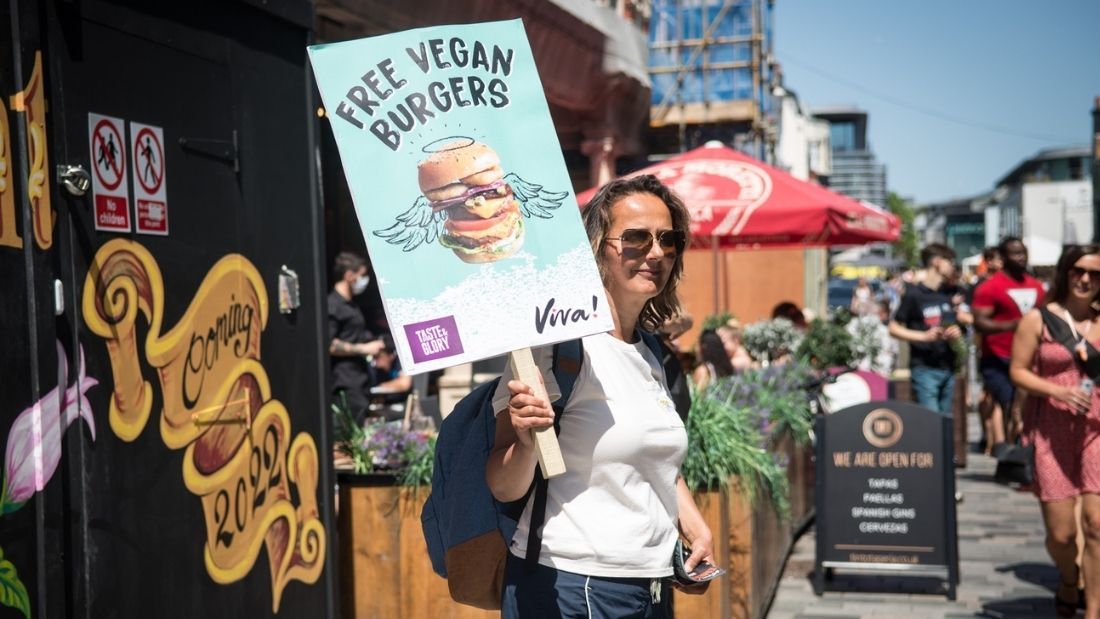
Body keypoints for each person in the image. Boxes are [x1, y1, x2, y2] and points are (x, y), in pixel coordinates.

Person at [487, 175, 714, 617]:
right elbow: (501, 482)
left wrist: (693, 524)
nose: (655, 252)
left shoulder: (648, 350)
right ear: (595, 248)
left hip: (650, 584)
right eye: (635, 238)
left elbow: (653, 459)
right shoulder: (553, 348)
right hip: (572, 587)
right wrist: (527, 440)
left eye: (668, 239)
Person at [1009, 244, 1100, 617]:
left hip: (1097, 430)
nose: (1085, 279)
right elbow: (1018, 370)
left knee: (1096, 524)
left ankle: (1093, 609)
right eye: (1078, 270)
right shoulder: (1038, 320)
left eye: (1095, 274)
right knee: (1062, 535)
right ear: (1065, 272)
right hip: (1051, 431)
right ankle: (1068, 578)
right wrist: (1057, 390)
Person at [973, 237, 1046, 449]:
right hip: (997, 358)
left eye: (1023, 252)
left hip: (1029, 359)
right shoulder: (990, 287)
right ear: (1003, 257)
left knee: (1026, 408)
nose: (1021, 257)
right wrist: (1014, 325)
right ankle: (1009, 452)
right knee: (1008, 403)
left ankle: (1021, 451)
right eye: (1015, 253)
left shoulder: (1037, 286)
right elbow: (979, 322)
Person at [888, 243, 964, 414]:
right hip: (924, 369)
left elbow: (956, 324)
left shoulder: (948, 294)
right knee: (932, 423)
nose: (952, 266)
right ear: (937, 262)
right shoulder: (914, 294)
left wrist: (956, 332)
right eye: (949, 261)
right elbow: (893, 328)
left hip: (948, 367)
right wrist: (924, 336)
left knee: (945, 424)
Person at [328, 251, 385, 423]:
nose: (364, 280)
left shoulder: (352, 305)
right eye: (362, 275)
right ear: (349, 275)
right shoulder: (333, 305)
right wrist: (364, 349)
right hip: (344, 380)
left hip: (359, 379)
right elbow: (328, 344)